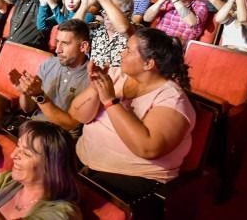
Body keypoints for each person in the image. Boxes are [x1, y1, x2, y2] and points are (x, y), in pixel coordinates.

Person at [70, 28, 196, 216]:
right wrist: (96, 87)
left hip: (132, 177)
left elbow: (148, 147)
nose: (121, 53)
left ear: (148, 64)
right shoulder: (117, 74)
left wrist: (110, 102)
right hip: (83, 159)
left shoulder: (172, 99)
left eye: (128, 50)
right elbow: (78, 115)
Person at [16, 20, 90, 132]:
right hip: (33, 126)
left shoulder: (92, 77)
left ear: (83, 46)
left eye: (65, 43)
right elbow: (27, 109)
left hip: (59, 137)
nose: (57, 50)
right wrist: (25, 91)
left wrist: (39, 95)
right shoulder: (49, 63)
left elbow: (70, 125)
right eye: (57, 42)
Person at [143, 0, 209, 44]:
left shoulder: (200, 6)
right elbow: (146, 18)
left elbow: (192, 23)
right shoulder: (168, 1)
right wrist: (161, 0)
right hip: (155, 40)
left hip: (174, 47)